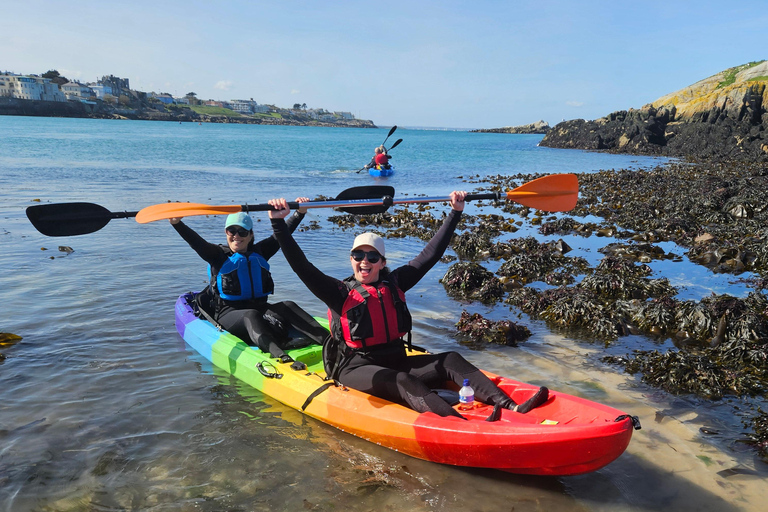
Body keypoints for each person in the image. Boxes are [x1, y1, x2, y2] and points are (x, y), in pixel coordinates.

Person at [266, 192, 548, 419]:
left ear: (383, 263)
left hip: (396, 358)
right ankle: (458, 424)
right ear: (351, 259)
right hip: (356, 367)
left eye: (372, 256)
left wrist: (456, 212)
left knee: (449, 358)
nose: (365, 261)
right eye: (358, 255)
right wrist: (279, 223)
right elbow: (301, 266)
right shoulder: (338, 292)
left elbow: (430, 254)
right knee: (402, 380)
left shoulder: (395, 283)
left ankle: (512, 407)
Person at [169, 198, 327, 362]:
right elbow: (195, 242)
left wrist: (299, 213)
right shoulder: (216, 255)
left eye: (242, 232)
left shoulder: (260, 252)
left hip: (261, 310)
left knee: (287, 305)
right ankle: (281, 356)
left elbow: (282, 233)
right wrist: (177, 224)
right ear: (226, 233)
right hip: (228, 314)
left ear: (251, 234)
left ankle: (331, 342)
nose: (236, 236)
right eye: (232, 231)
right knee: (250, 315)